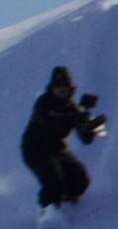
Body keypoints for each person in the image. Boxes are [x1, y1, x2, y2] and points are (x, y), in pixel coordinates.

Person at [22, 65, 106, 216]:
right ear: (52, 87)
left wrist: (91, 127)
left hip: (57, 149)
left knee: (80, 179)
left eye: (65, 85)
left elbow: (85, 139)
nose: (61, 89)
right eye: (58, 85)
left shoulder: (72, 107)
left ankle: (67, 201)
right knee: (53, 179)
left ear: (70, 88)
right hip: (35, 149)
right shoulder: (43, 103)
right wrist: (75, 118)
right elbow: (50, 120)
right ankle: (47, 215)